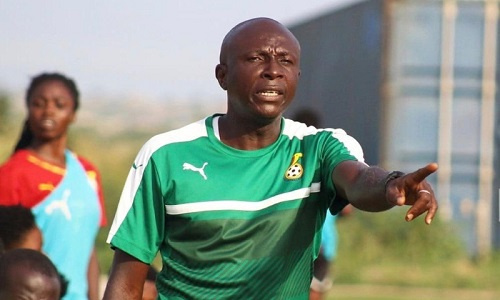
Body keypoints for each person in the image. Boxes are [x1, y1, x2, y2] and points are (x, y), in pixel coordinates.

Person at [104, 17, 438, 299]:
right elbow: (126, 282)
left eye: (286, 61)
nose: (273, 71)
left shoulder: (319, 147)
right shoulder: (165, 155)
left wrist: (391, 186)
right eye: (256, 58)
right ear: (222, 75)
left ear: (297, 79)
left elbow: (359, 180)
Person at [0, 72, 107, 300]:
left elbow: (87, 248)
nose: (48, 111)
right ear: (28, 110)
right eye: (39, 104)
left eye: (59, 104)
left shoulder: (88, 172)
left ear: (74, 113)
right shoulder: (12, 173)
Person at [292, 108, 351, 300]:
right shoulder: (324, 160)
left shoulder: (290, 161)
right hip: (322, 244)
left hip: (299, 242)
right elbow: (348, 210)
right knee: (314, 292)